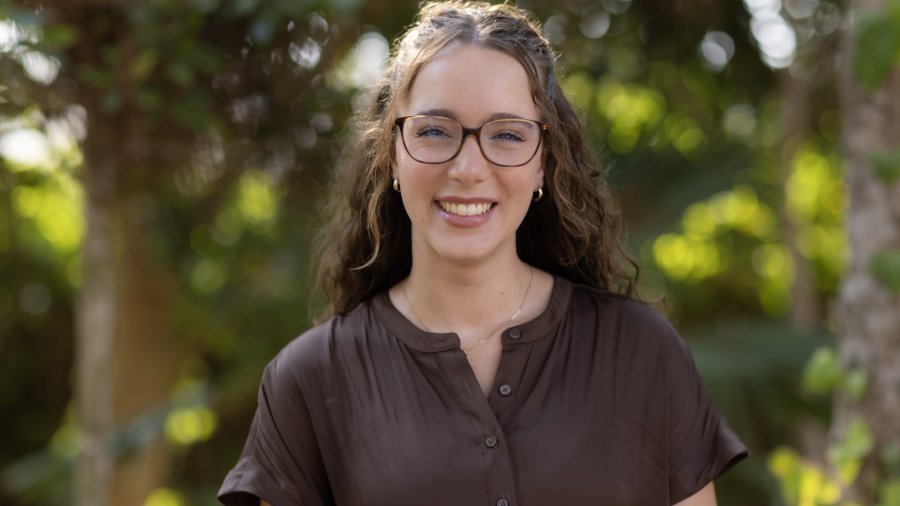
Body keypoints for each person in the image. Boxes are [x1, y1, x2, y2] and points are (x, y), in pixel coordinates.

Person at [218, 2, 747, 505]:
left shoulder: (641, 353)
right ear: (392, 157)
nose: (468, 168)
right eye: (432, 130)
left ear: (544, 163)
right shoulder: (310, 379)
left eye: (508, 135)